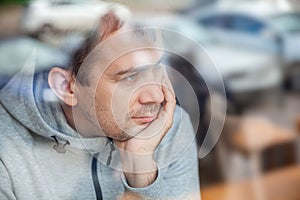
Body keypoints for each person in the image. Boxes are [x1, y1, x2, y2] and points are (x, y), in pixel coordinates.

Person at [0, 11, 200, 200]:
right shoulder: (7, 148)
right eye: (130, 77)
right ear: (67, 88)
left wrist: (141, 169)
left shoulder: (168, 125)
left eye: (156, 70)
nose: (156, 97)